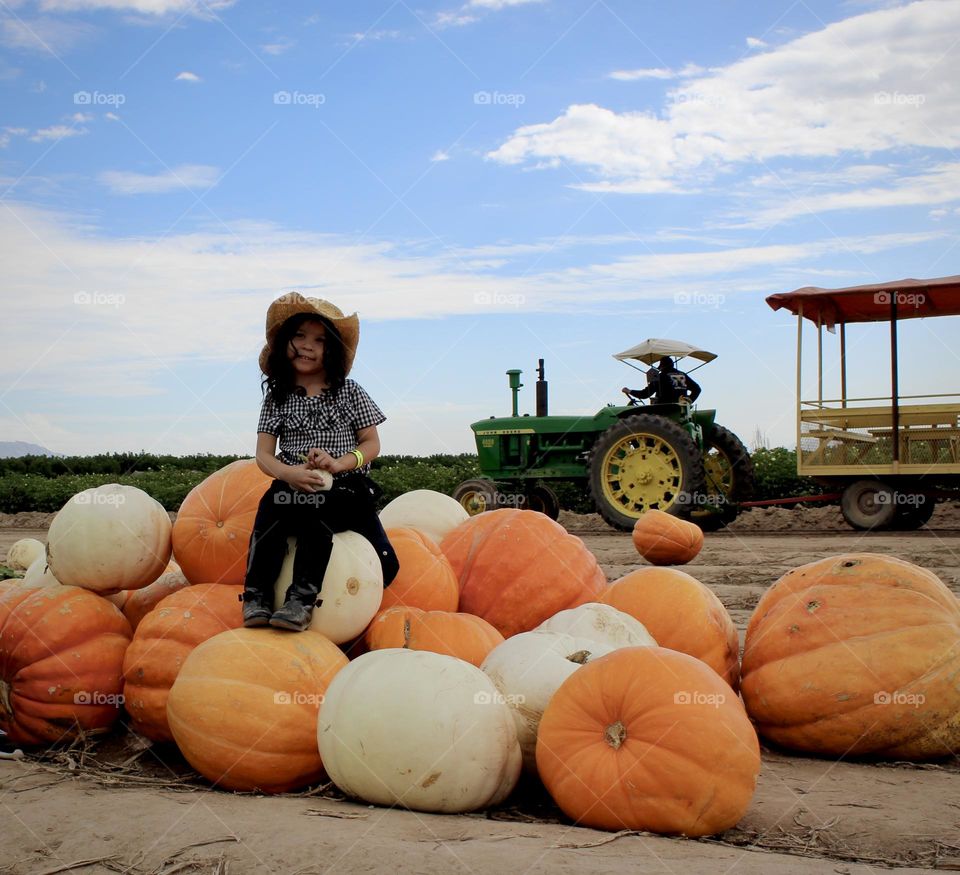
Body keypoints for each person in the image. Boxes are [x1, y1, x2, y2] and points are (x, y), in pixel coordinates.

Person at [241, 293, 399, 632]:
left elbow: (372, 444)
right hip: (293, 481)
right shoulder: (277, 398)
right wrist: (288, 473)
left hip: (345, 485)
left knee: (318, 512)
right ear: (285, 343)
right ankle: (257, 596)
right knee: (269, 509)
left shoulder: (350, 392)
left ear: (333, 350)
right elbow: (263, 454)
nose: (307, 346)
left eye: (319, 340)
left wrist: (340, 463)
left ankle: (301, 600)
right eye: (300, 336)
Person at [622, 356, 701, 406]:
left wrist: (629, 391)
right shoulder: (683, 375)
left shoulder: (660, 377)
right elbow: (697, 389)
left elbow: (645, 394)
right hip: (681, 409)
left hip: (664, 410)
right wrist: (688, 401)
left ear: (662, 366)